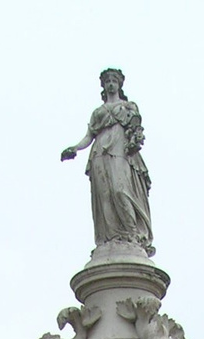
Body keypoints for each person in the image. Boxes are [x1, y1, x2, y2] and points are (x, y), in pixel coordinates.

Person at [61, 67, 153, 255]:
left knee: (121, 190)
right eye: (107, 81)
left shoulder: (129, 107)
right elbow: (89, 136)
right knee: (105, 195)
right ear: (103, 86)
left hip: (120, 151)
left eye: (114, 81)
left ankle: (132, 236)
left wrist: (135, 139)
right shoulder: (97, 112)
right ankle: (110, 238)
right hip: (99, 153)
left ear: (119, 84)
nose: (111, 84)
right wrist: (75, 148)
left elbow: (137, 131)